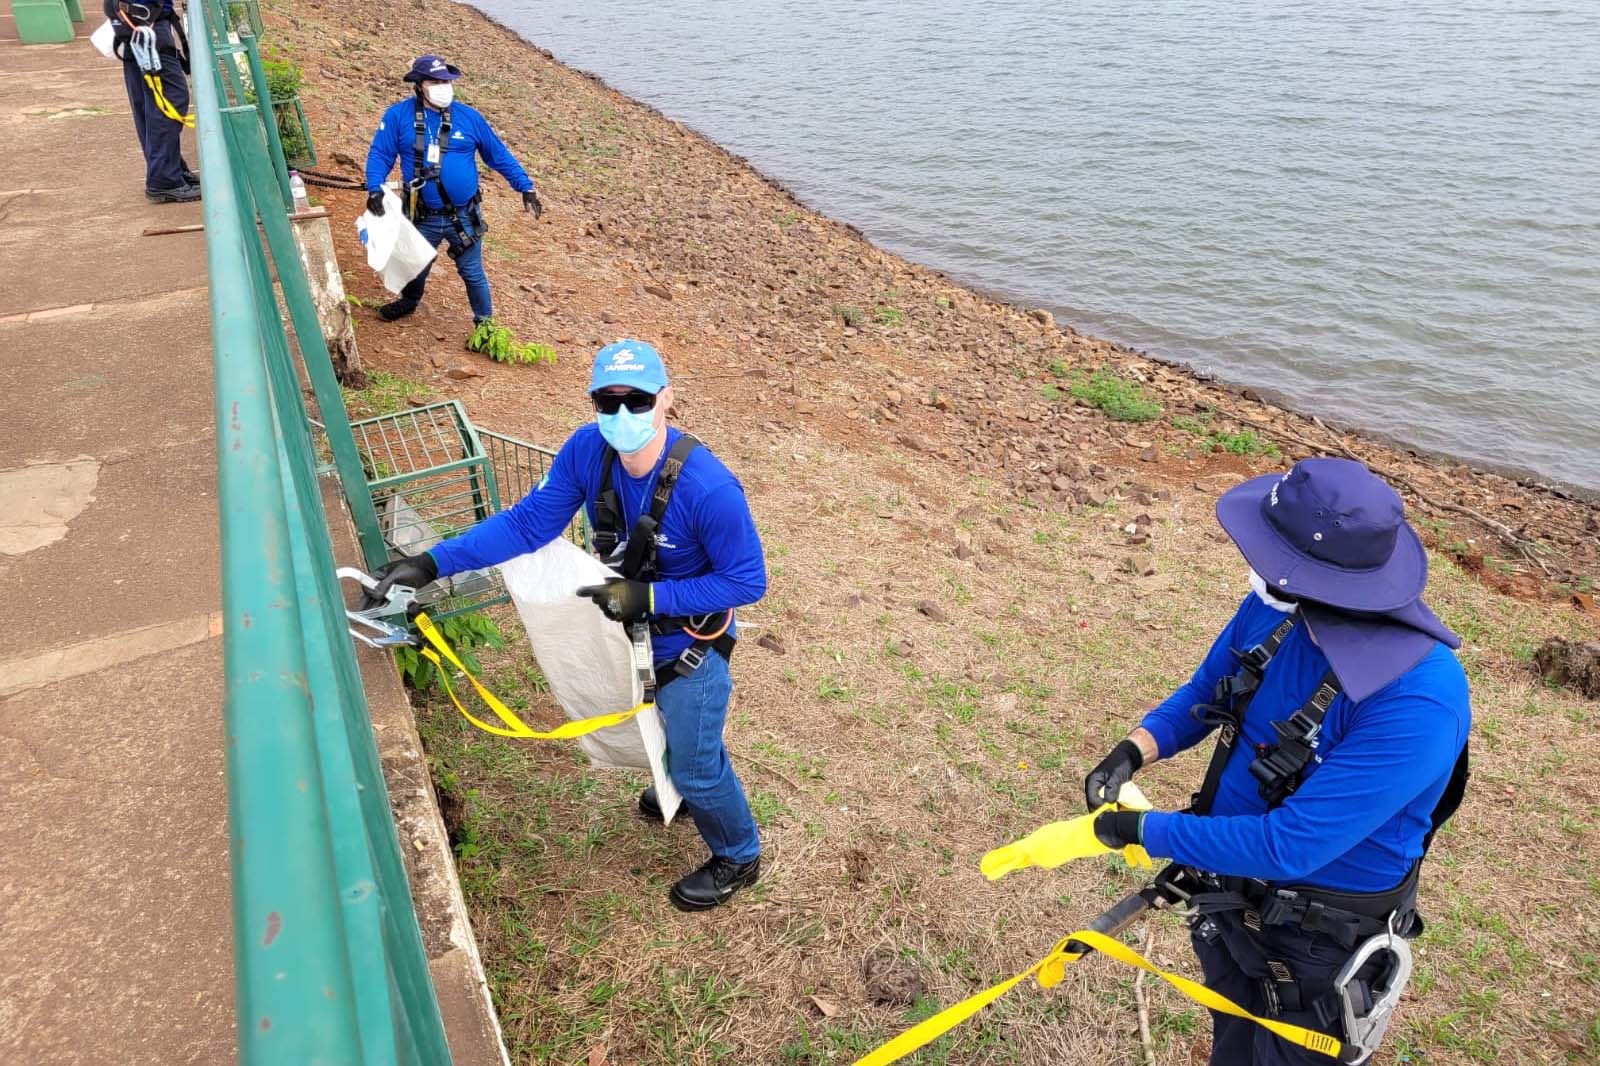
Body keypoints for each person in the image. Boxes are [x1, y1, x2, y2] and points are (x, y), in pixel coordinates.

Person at [1082, 458, 1470, 1065]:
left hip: (1318, 944)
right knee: (1232, 1037)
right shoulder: (1276, 609)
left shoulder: (1419, 700)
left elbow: (1289, 845)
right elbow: (1208, 692)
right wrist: (1133, 751)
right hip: (1226, 892)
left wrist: (1140, 830)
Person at [366, 340, 767, 911]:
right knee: (663, 731)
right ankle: (678, 782)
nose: (622, 416)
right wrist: (432, 563)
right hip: (628, 632)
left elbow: (747, 582)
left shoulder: (710, 489)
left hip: (689, 646)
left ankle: (738, 854)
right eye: (608, 402)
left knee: (699, 763)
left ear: (666, 400)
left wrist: (650, 597)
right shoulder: (588, 451)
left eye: (637, 401)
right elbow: (528, 524)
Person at [363, 55, 543, 337]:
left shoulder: (470, 117)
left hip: (464, 216)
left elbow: (497, 154)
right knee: (416, 264)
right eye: (435, 81)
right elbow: (381, 154)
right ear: (419, 85)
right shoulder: (397, 116)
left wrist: (525, 186)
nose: (443, 87)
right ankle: (409, 302)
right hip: (423, 214)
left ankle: (485, 327)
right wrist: (375, 187)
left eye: (446, 81)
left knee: (473, 273)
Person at [104, 0, 199, 203]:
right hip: (146, 21)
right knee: (169, 98)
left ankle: (168, 169)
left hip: (133, 20)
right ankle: (165, 179)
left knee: (148, 101)